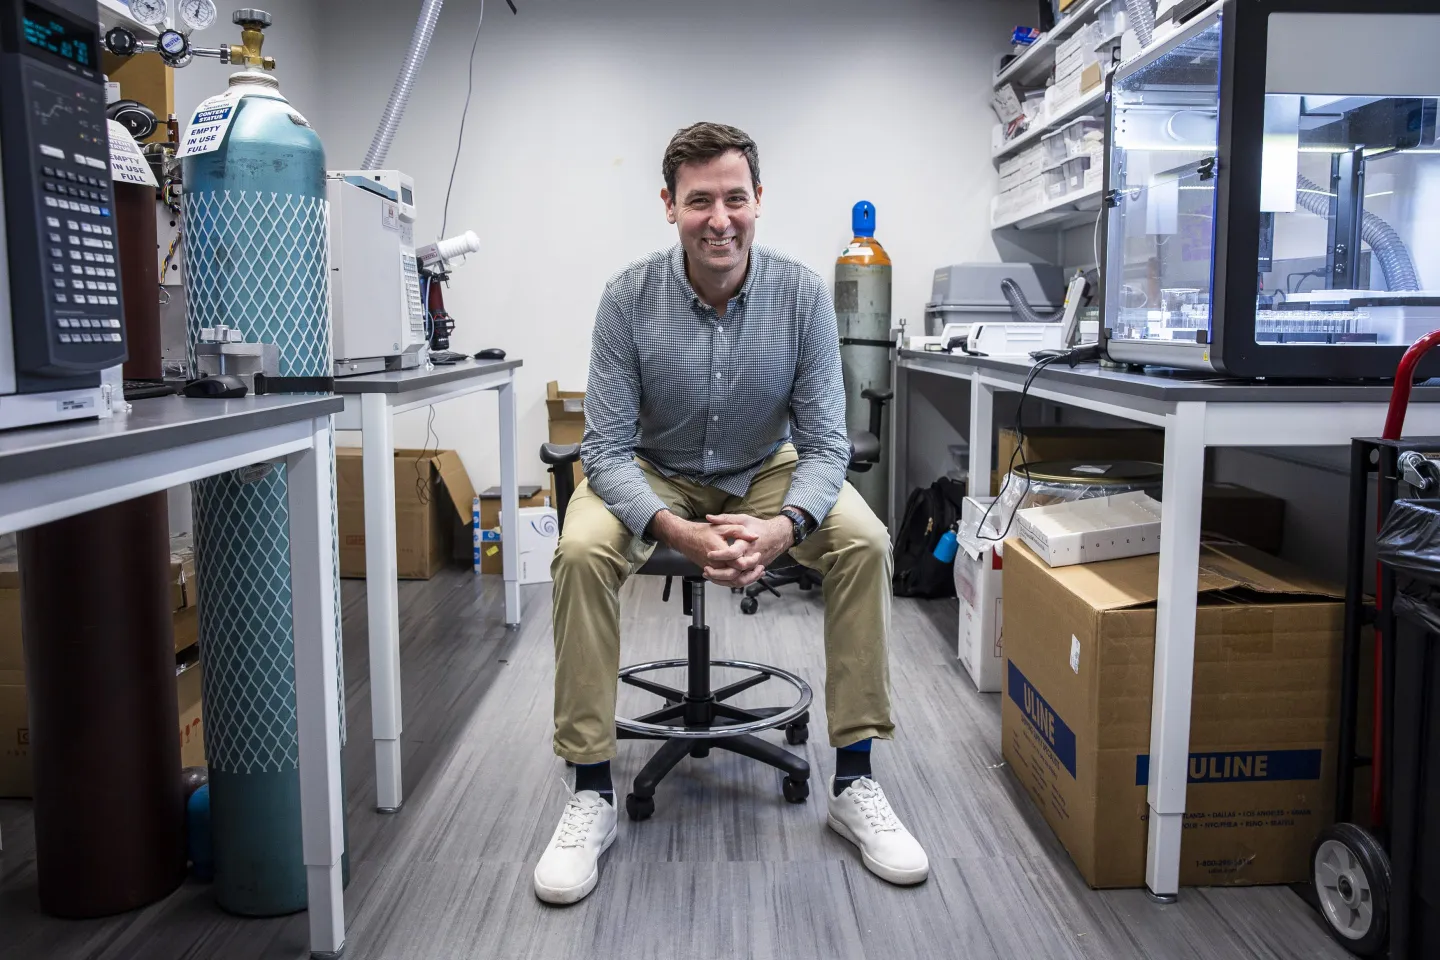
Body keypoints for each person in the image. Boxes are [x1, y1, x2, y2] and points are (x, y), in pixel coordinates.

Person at [533, 122, 927, 905]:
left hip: (765, 469)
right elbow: (605, 451)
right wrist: (674, 528)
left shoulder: (802, 294)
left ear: (758, 202)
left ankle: (854, 781)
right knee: (579, 552)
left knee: (866, 541)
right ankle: (589, 790)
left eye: (735, 199)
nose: (720, 219)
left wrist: (785, 527)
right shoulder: (625, 299)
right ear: (669, 205)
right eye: (699, 201)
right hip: (654, 469)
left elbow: (824, 443)